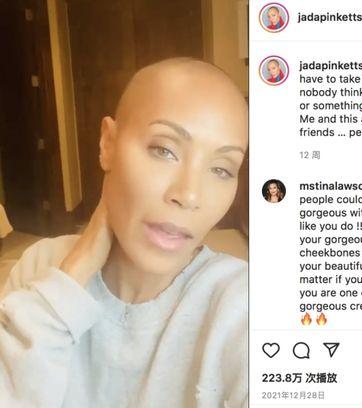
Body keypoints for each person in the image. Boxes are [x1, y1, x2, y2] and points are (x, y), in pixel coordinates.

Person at [0, 58, 248, 407]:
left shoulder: (242, 304)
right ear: (108, 144)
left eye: (222, 169)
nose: (190, 195)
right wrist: (74, 272)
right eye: (164, 150)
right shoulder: (39, 267)